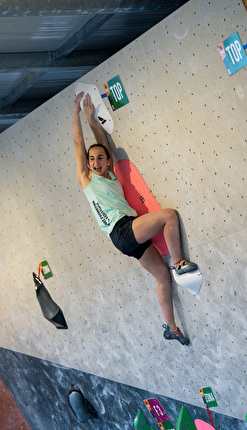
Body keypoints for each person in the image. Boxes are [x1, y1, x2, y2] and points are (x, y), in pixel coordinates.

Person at [73, 92, 198, 345]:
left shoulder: (109, 176)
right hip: (122, 230)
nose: (96, 162)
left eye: (100, 158)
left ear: (108, 162)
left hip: (124, 238)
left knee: (163, 277)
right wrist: (75, 113)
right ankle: (181, 262)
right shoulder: (87, 180)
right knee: (169, 217)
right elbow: (79, 144)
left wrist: (92, 120)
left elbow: (102, 143)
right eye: (92, 159)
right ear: (87, 165)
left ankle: (171, 328)